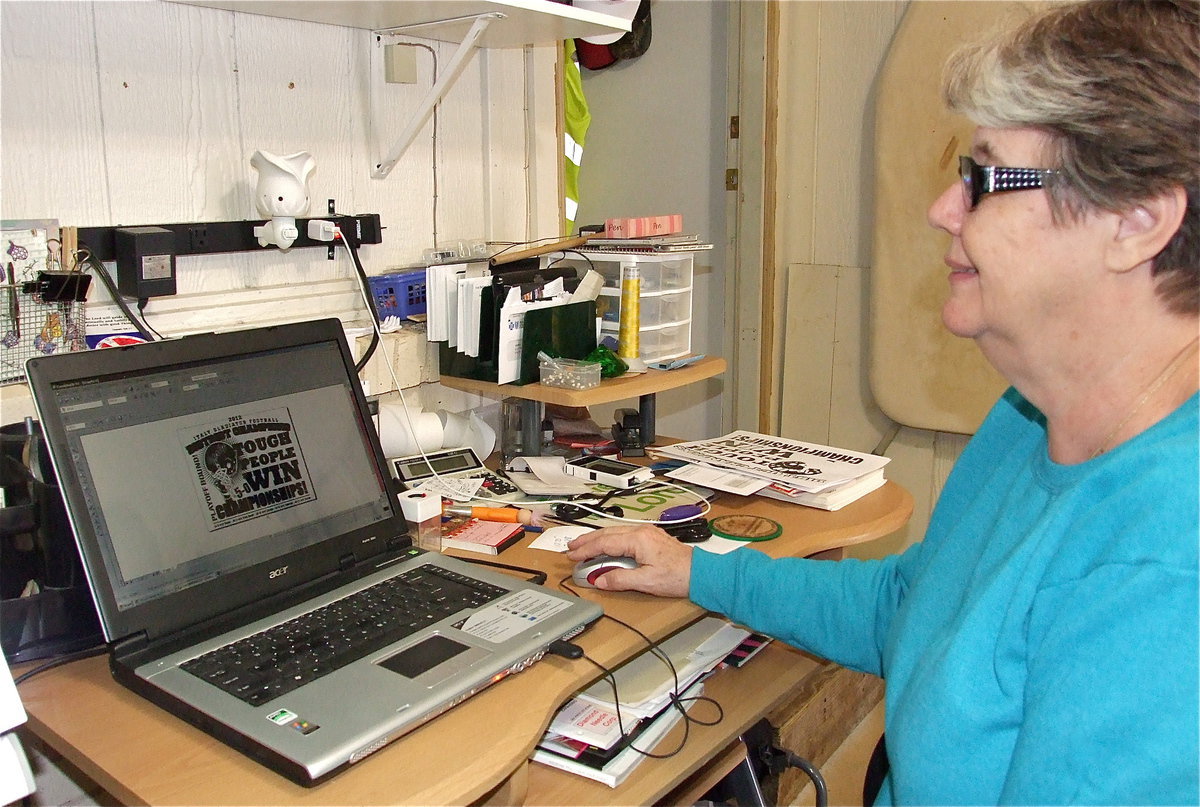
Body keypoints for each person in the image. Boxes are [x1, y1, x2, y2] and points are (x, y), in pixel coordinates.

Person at [567, 1, 1199, 803]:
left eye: (983, 177)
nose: (943, 207)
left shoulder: (1169, 558)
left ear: (1135, 221)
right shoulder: (1029, 419)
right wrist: (696, 568)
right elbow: (912, 607)